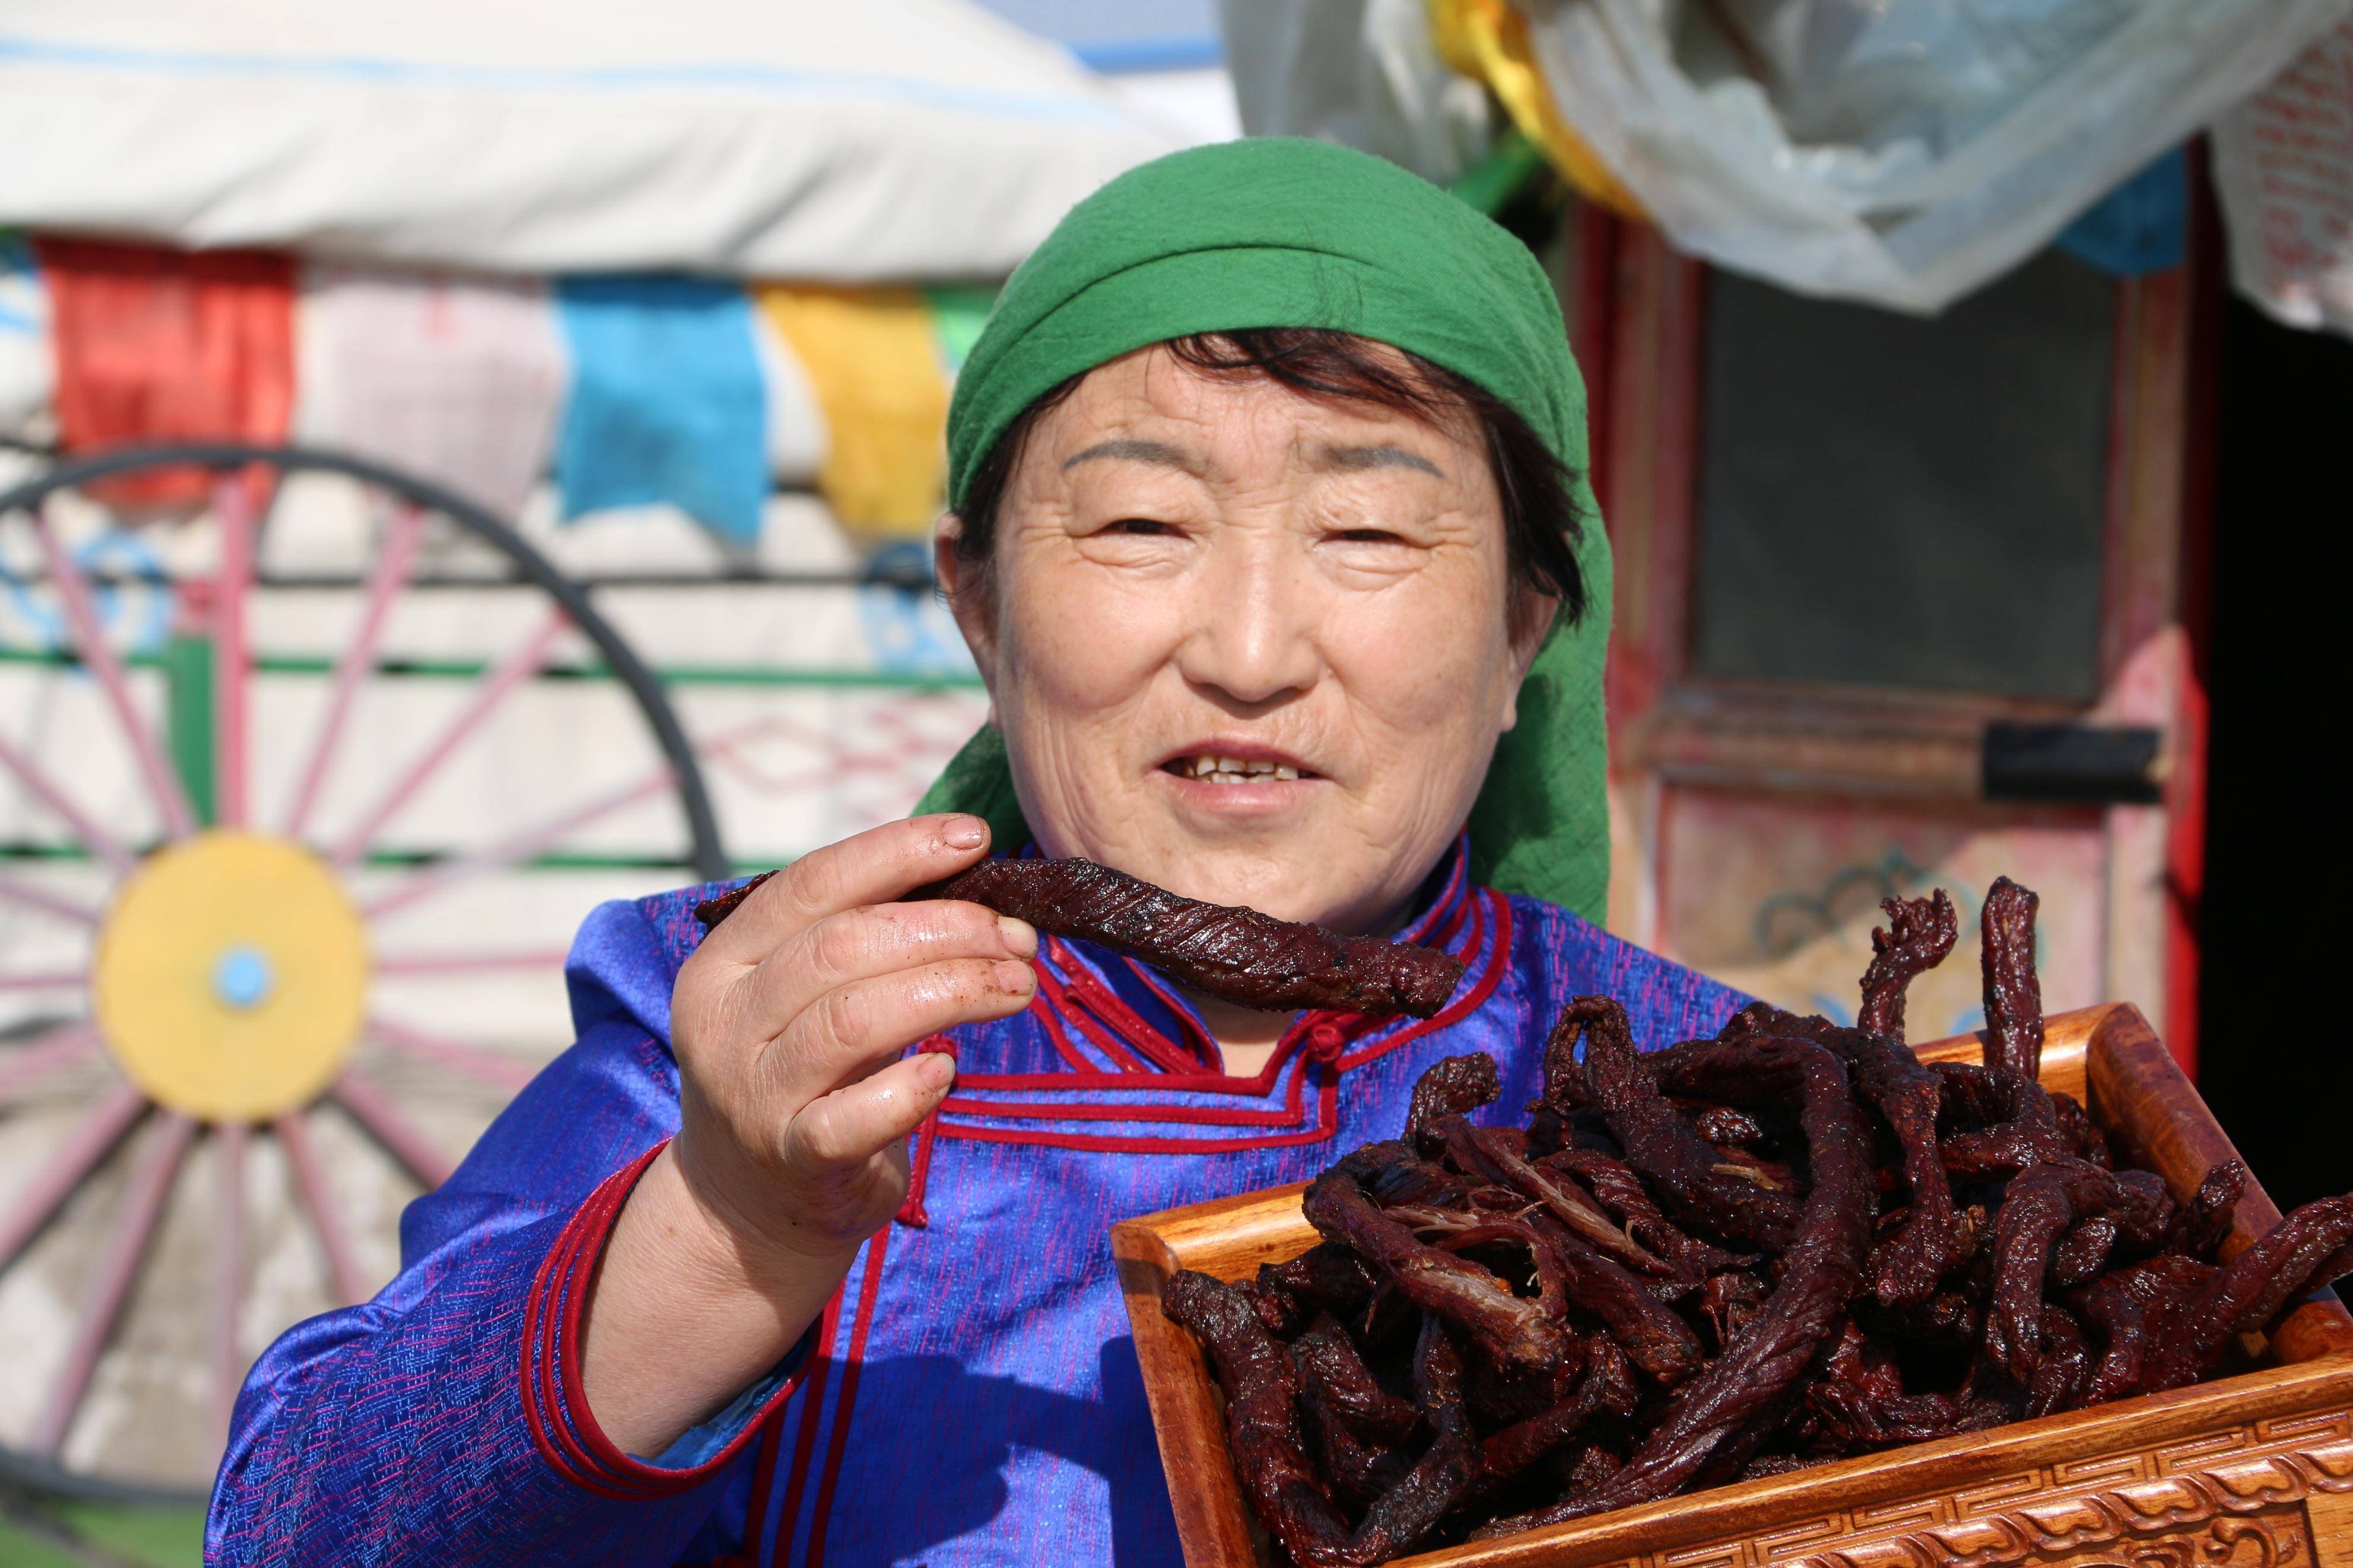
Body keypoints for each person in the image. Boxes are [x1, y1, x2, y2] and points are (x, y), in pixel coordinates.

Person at [209, 138, 1746, 1566]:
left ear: (1523, 629)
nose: (1254, 650)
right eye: (1143, 524)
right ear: (981, 604)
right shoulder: (759, 1040)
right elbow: (293, 1528)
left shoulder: (1720, 1106)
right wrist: (733, 1224)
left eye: (1370, 535)